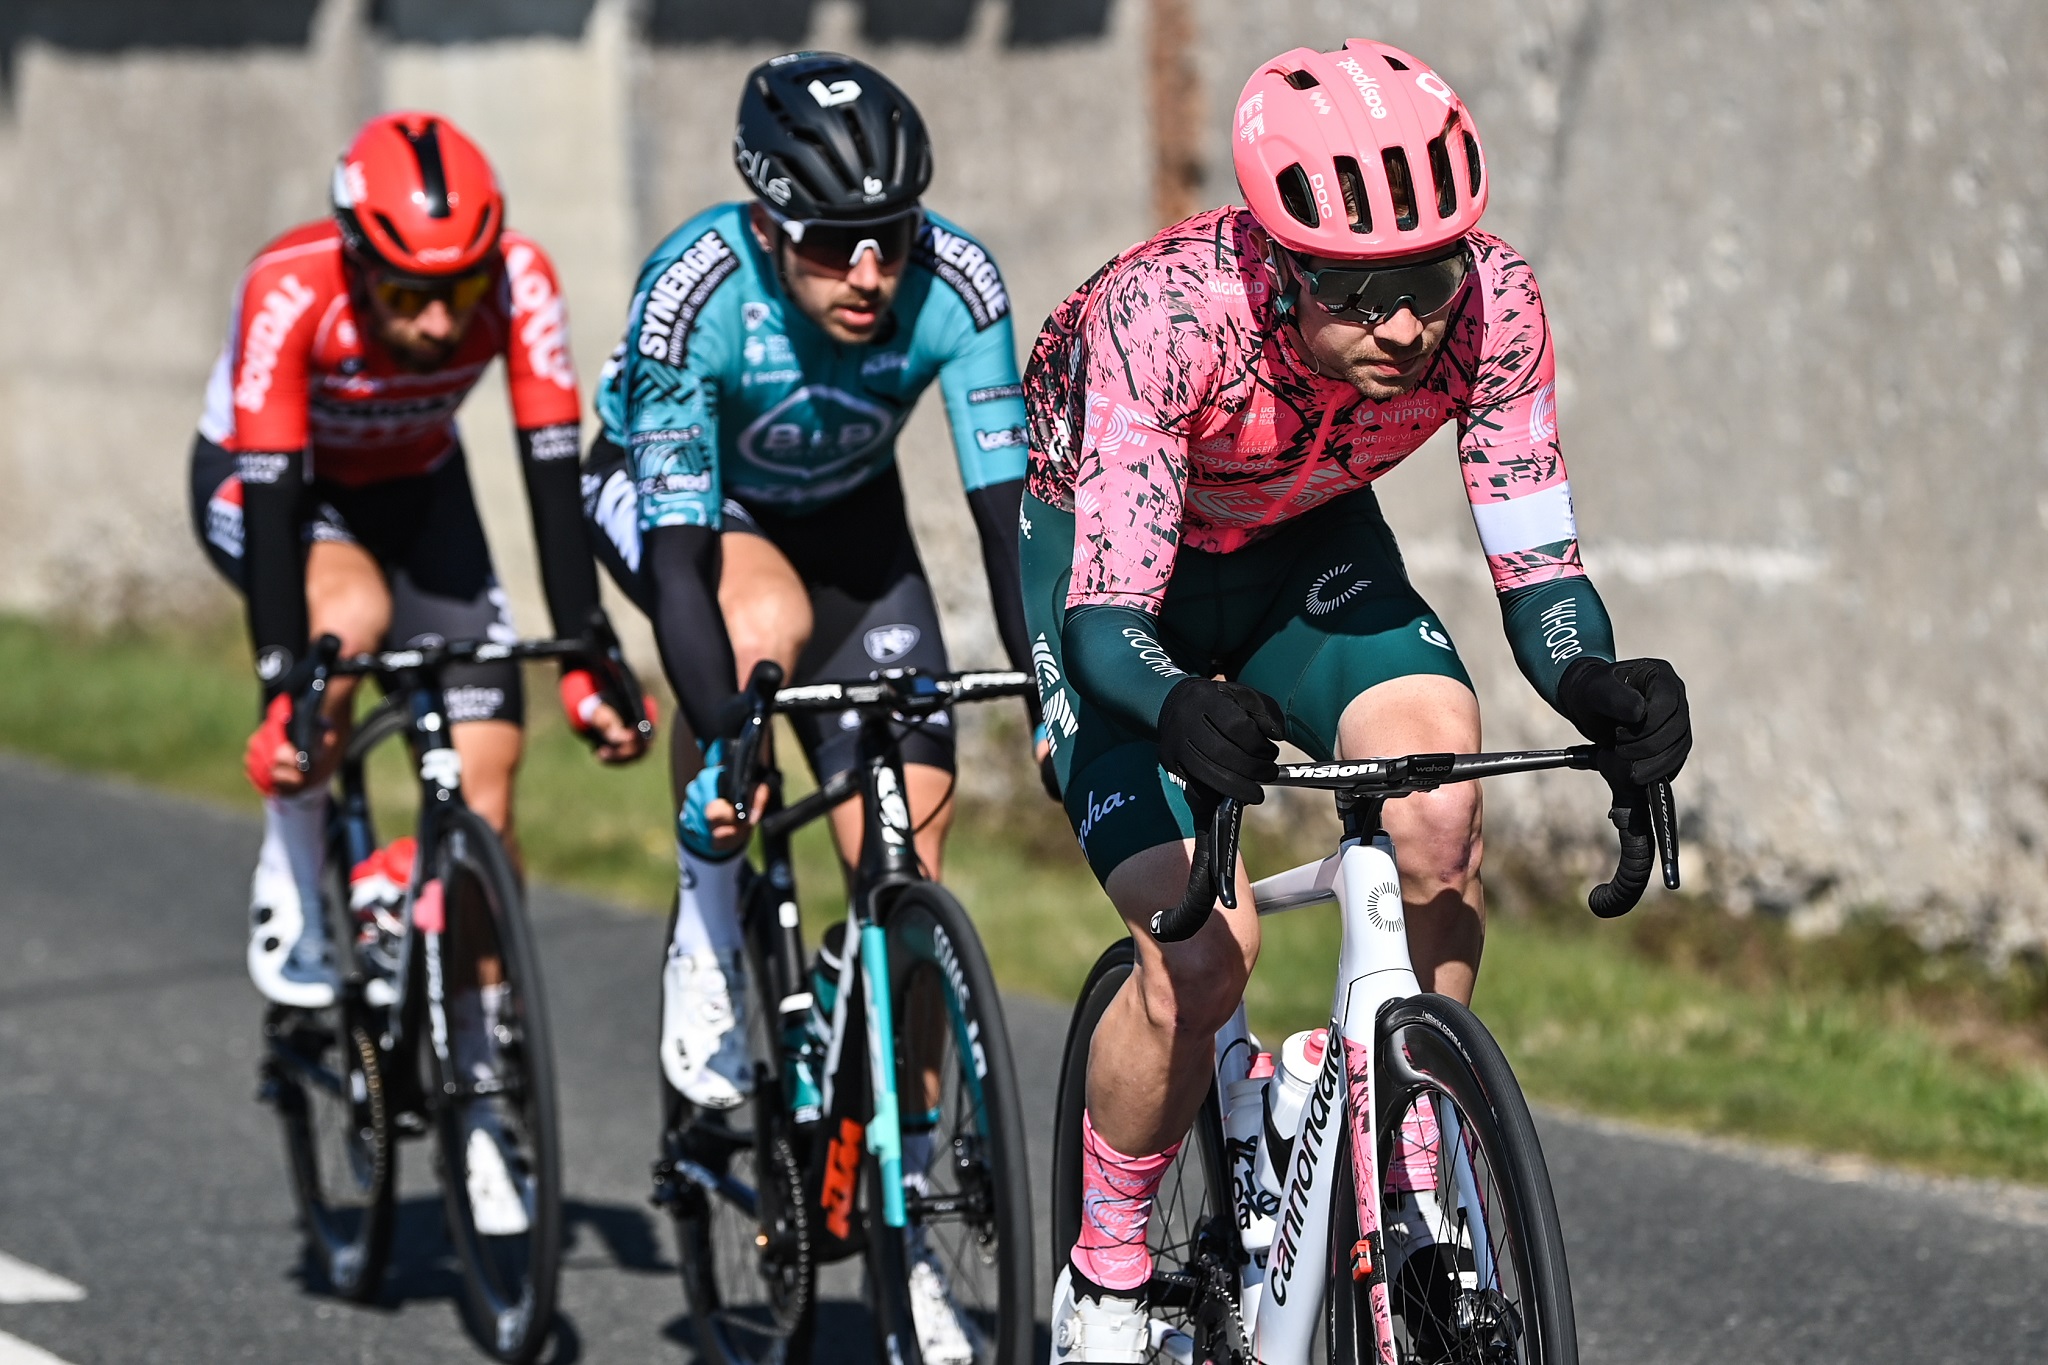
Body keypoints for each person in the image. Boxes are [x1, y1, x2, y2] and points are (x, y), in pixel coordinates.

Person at [1021, 41, 1693, 1359]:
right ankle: (1105, 1271)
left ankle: (1417, 1150)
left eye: (1430, 277)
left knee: (1437, 812)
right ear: (1278, 262)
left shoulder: (1494, 303)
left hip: (1308, 555)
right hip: (1114, 586)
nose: (1406, 326)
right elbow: (1106, 621)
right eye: (1359, 290)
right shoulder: (1166, 317)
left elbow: (1540, 563)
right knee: (1201, 952)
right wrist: (1172, 707)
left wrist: (1599, 682)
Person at [584, 50, 1038, 1362]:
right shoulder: (696, 293)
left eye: (888, 240)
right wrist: (726, 730)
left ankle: (910, 1251)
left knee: (911, 870)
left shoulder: (957, 283)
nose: (870, 276)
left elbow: (1006, 520)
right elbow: (677, 563)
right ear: (770, 224)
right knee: (756, 629)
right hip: (683, 504)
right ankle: (709, 920)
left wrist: (1056, 692)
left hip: (851, 523)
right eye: (835, 247)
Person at [191, 111, 645, 1231]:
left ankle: (483, 1088)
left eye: (459, 290)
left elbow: (550, 480)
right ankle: (296, 869)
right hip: (276, 489)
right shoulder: (291, 288)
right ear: (355, 256)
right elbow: (278, 483)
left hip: (421, 492)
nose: (439, 322)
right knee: (347, 612)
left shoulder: (521, 285)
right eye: (404, 295)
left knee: (490, 774)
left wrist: (588, 651)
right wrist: (279, 695)